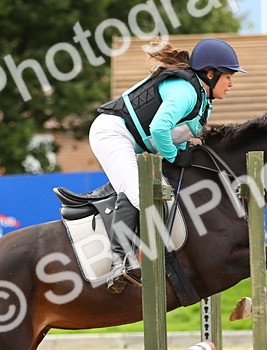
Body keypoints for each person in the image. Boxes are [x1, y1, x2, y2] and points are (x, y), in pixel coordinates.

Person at [90, 37, 244, 292]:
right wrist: (173, 156)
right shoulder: (185, 91)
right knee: (140, 193)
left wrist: (182, 151)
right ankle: (119, 264)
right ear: (210, 74)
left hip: (134, 141)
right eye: (228, 76)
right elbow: (160, 128)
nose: (231, 83)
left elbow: (177, 132)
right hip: (112, 134)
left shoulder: (203, 99)